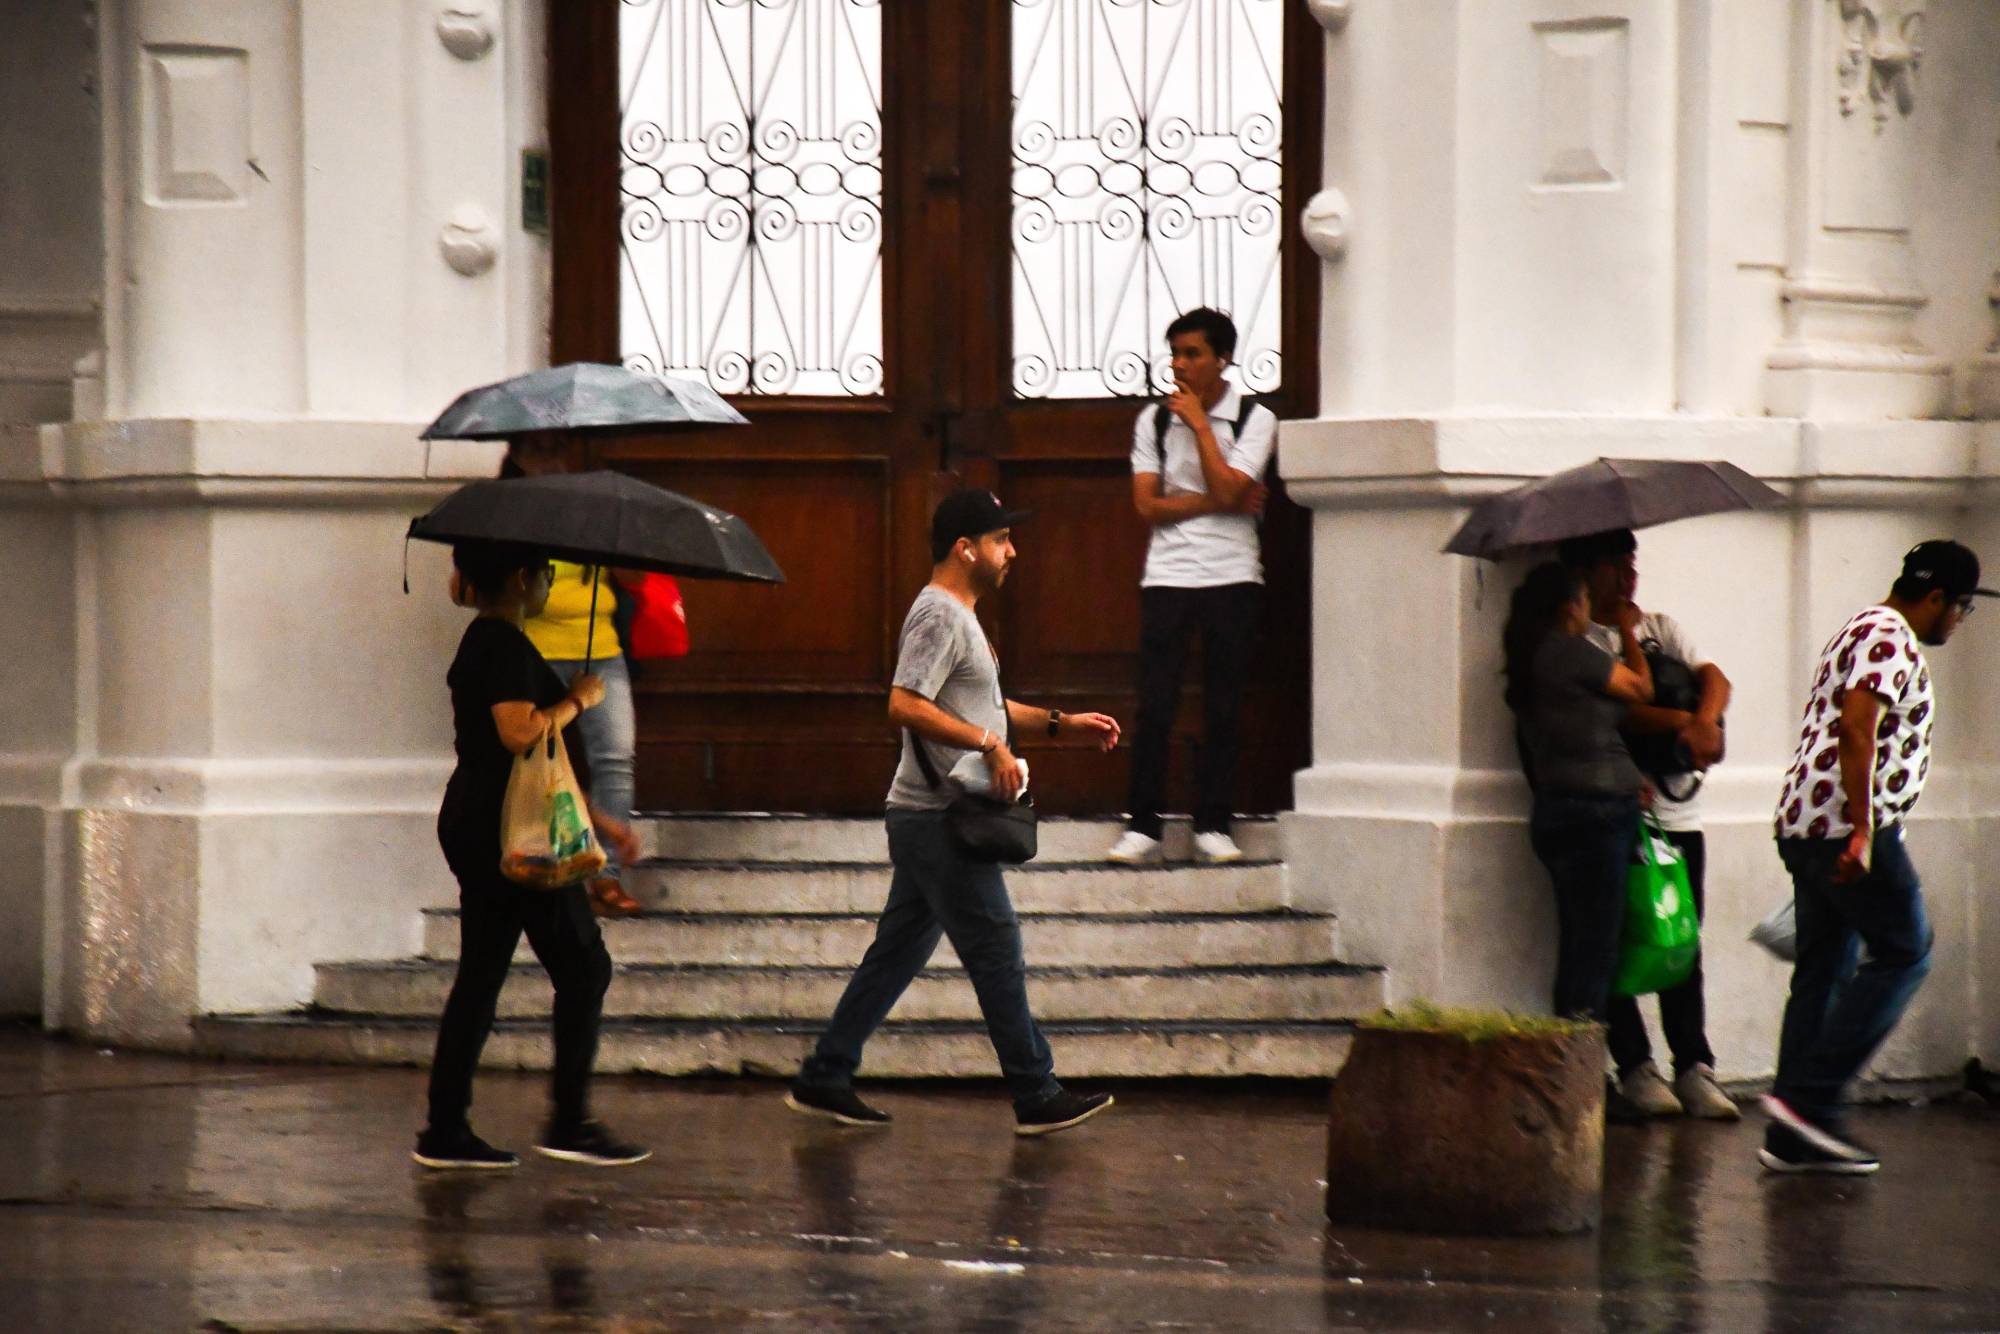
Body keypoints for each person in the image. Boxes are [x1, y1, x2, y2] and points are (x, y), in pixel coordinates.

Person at [788, 490, 1124, 1136]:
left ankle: (824, 1075)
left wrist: (1062, 723)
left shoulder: (960, 616)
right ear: (965, 549)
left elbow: (983, 707)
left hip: (925, 816)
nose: (1012, 551)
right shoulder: (939, 615)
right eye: (1001, 540)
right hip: (937, 818)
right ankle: (1036, 1091)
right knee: (996, 945)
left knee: (896, 955)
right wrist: (990, 744)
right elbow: (903, 703)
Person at [415, 539, 648, 1170]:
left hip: (489, 819)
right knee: (583, 968)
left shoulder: (488, 643)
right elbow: (518, 732)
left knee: (483, 974)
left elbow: (541, 769)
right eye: (544, 572)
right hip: (511, 835)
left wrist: (599, 823)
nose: (547, 581)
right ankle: (569, 1121)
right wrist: (580, 698)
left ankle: (445, 1128)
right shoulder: (502, 645)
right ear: (523, 578)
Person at [1761, 540, 1991, 1174]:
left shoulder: (1863, 627)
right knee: (1905, 952)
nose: (1960, 621)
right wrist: (1864, 831)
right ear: (1936, 598)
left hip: (1810, 823)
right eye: (1962, 607)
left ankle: (1790, 1133)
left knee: (1825, 970)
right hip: (1848, 829)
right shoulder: (1888, 636)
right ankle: (1812, 1104)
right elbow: (1857, 726)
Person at [1560, 529, 1738, 1121]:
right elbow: (1622, 709)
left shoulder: (1664, 623)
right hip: (1621, 815)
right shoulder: (1580, 639)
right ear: (1587, 572)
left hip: (1679, 815)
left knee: (1681, 939)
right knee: (1619, 938)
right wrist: (1683, 718)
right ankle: (1635, 1065)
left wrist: (1704, 722)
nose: (1627, 576)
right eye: (1614, 565)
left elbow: (1716, 676)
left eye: (1630, 563)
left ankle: (1695, 1064)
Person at [1105, 307, 1275, 867]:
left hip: (1232, 575)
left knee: (1223, 705)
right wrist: (1216, 500)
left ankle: (1214, 826)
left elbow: (1233, 485)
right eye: (1175, 353)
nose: (1179, 365)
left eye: (1193, 354)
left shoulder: (1255, 419)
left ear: (1223, 358)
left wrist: (1202, 425)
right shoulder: (1152, 420)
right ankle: (1143, 826)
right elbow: (1148, 505)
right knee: (1156, 704)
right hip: (1168, 575)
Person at [1502, 561, 1654, 1097]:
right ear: (1571, 606)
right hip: (1597, 816)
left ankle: (1569, 1067)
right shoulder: (1571, 651)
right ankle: (1581, 1078)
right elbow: (1640, 688)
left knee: (1578, 946)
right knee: (1597, 951)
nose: (1591, 612)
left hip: (1559, 812)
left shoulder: (1532, 659)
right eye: (1587, 602)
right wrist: (1629, 631)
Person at [507, 436, 644, 918]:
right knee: (537, 763)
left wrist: (608, 534)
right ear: (519, 459)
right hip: (533, 652)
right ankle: (548, 869)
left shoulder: (590, 509)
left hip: (600, 652)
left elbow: (635, 579)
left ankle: (605, 880)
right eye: (540, 453)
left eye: (557, 454)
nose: (551, 463)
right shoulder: (506, 512)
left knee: (615, 759)